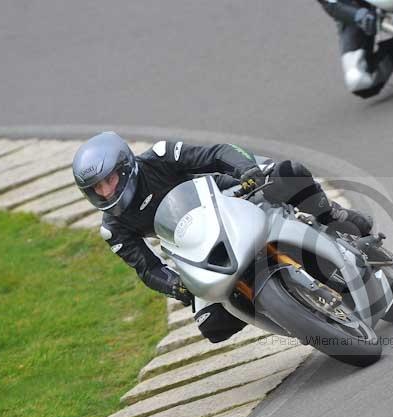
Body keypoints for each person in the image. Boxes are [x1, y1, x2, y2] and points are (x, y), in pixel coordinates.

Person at [72, 131, 373, 343]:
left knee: (285, 172)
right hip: (198, 247)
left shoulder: (161, 156)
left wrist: (247, 171)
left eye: (108, 181)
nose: (105, 192)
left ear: (125, 167)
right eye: (96, 188)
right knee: (213, 326)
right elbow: (148, 269)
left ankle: (330, 216)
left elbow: (216, 152)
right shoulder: (113, 228)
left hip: (228, 196)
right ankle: (295, 312)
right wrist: (175, 286)